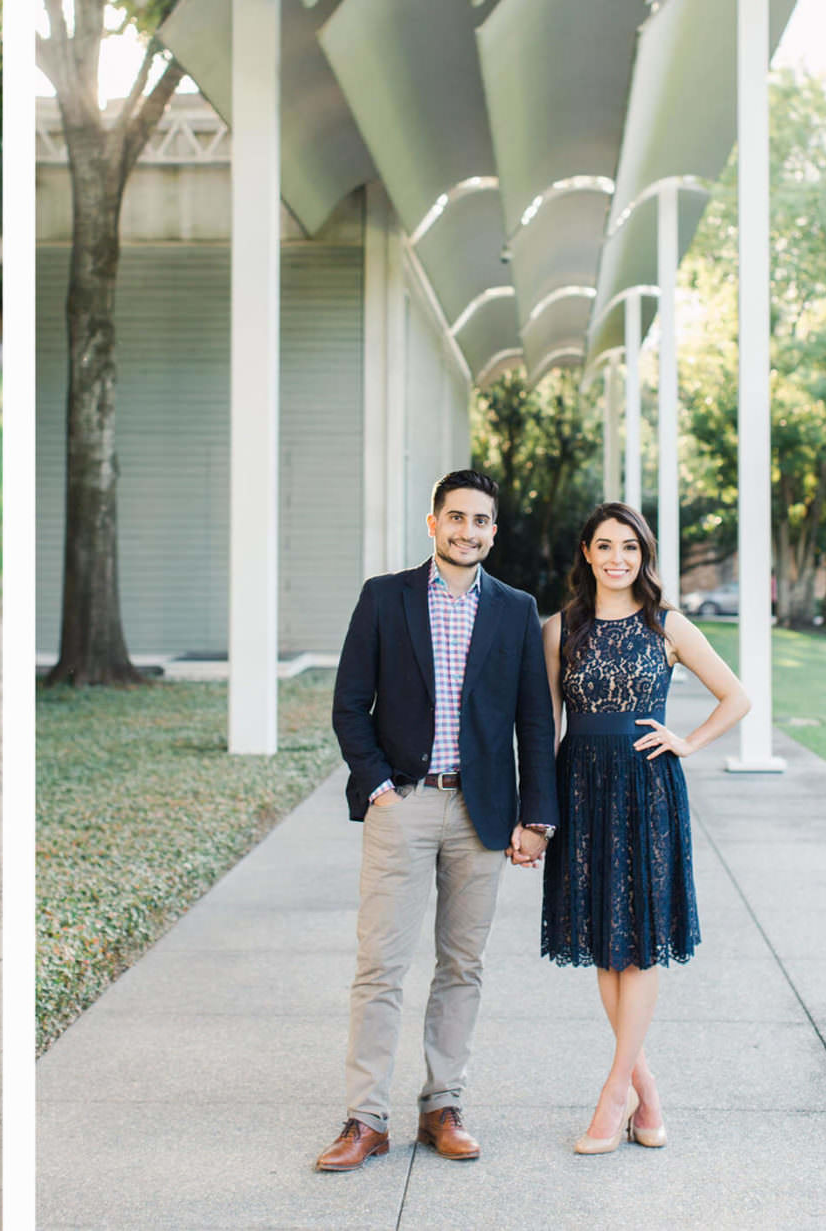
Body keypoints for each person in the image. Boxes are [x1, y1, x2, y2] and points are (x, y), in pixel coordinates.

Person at [316, 470, 557, 1172]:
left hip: (483, 813)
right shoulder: (384, 597)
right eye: (456, 517)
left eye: (481, 521)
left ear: (493, 531)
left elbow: (535, 724)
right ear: (433, 523)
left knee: (462, 963)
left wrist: (535, 816)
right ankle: (366, 1119)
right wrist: (381, 789)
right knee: (380, 965)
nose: (468, 531)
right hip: (406, 802)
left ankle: (441, 1106)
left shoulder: (515, 609)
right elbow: (348, 705)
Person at [538, 502, 748, 1153]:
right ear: (587, 553)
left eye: (629, 546)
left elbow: (736, 696)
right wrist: (538, 812)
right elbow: (546, 728)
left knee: (640, 940)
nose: (617, 558)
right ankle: (646, 1086)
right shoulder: (559, 628)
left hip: (647, 787)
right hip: (582, 788)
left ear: (643, 553)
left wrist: (687, 742)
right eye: (605, 545)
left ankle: (612, 1095)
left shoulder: (668, 624)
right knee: (607, 941)